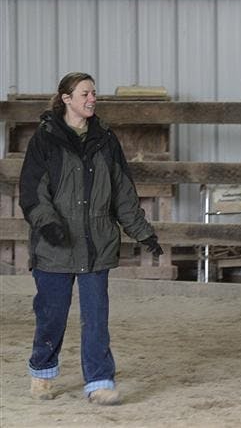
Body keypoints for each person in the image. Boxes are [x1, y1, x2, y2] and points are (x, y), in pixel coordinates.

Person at [19, 72, 164, 405]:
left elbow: (123, 193)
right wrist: (48, 224)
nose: (92, 99)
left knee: (96, 317)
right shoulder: (45, 140)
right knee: (51, 315)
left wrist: (143, 233)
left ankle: (99, 381)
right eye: (85, 93)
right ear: (66, 99)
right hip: (54, 246)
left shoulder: (106, 139)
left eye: (94, 93)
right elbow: (32, 191)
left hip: (96, 244)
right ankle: (42, 371)